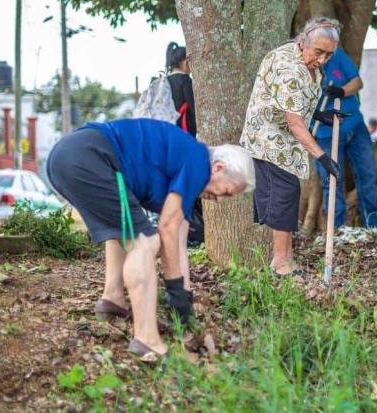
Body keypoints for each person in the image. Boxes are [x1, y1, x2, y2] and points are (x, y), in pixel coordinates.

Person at [47, 119, 254, 359]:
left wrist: (183, 300)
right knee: (145, 241)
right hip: (89, 156)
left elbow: (177, 237)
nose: (219, 200)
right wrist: (175, 292)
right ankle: (147, 339)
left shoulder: (186, 166)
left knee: (125, 227)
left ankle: (113, 300)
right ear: (217, 168)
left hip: (68, 157)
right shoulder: (198, 161)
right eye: (226, 192)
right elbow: (165, 229)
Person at [241, 17, 345, 277]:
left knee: (286, 195)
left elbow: (294, 107)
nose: (322, 60)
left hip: (283, 135)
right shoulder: (291, 69)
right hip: (269, 139)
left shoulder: (306, 60)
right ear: (302, 43)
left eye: (328, 55)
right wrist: (322, 157)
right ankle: (280, 263)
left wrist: (319, 115)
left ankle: (285, 259)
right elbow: (294, 121)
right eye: (318, 52)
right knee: (282, 195)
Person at [313, 46, 377, 230]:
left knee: (367, 173)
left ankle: (372, 222)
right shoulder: (303, 64)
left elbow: (357, 82)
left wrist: (341, 91)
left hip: (355, 125)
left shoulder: (337, 54)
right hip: (325, 135)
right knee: (332, 179)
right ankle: (336, 229)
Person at [165, 41, 203, 244]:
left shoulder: (162, 82)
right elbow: (194, 112)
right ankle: (193, 232)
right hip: (185, 136)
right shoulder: (185, 82)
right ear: (185, 61)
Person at [165, 41, 197, 136]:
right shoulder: (186, 80)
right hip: (183, 129)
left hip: (167, 129)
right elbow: (193, 107)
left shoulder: (165, 80)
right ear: (186, 62)